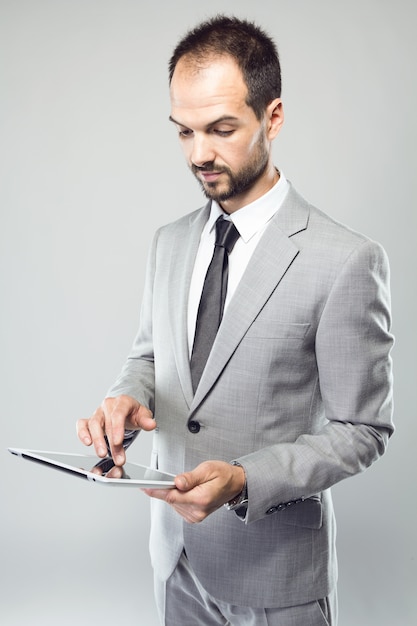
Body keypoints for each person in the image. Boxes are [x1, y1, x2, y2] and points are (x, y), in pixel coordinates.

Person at [76, 15, 394, 626]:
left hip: (277, 575)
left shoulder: (346, 260)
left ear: (273, 117)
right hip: (175, 562)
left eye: (222, 129)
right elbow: (150, 357)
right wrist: (123, 399)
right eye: (184, 132)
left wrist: (245, 478)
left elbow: (363, 429)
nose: (200, 154)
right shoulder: (168, 243)